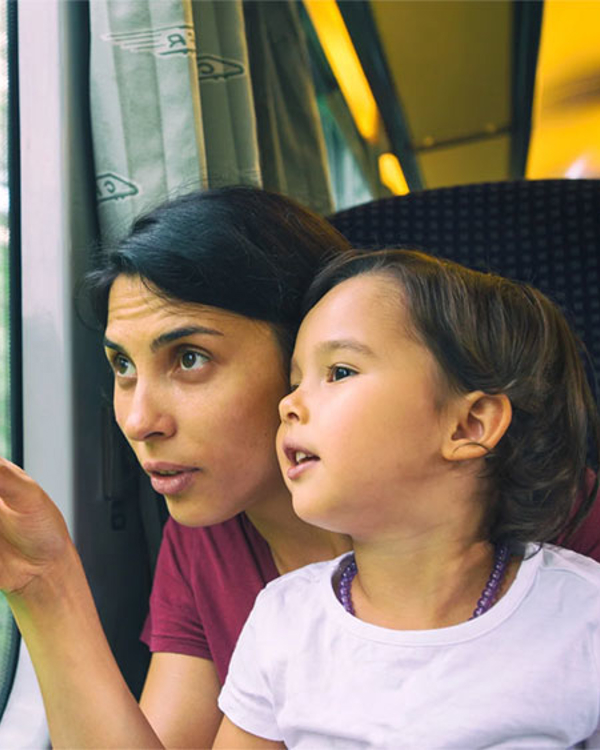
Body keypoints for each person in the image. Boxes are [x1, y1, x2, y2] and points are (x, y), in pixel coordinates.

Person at [0, 189, 597, 749]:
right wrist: (44, 583)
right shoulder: (219, 551)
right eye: (123, 367)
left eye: (189, 358)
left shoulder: (562, 538)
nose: (137, 419)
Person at [214, 249, 600, 748]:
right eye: (295, 382)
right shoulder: (284, 621)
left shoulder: (583, 617)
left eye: (339, 372)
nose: (288, 404)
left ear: (469, 425)